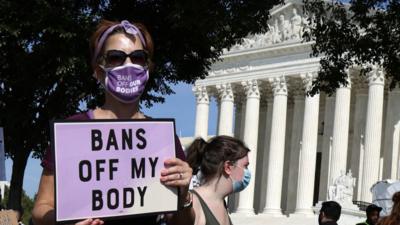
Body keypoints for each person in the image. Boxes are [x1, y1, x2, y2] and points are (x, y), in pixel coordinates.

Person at [32, 19, 193, 225]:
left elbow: (182, 222)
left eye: (138, 57)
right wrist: (66, 222)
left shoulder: (162, 138)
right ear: (98, 71)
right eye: (116, 57)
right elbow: (41, 208)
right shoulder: (72, 132)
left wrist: (184, 195)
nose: (128, 65)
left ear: (147, 68)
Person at [185, 135, 251, 225]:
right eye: (245, 166)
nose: (247, 172)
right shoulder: (193, 203)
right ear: (228, 167)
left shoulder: (221, 203)